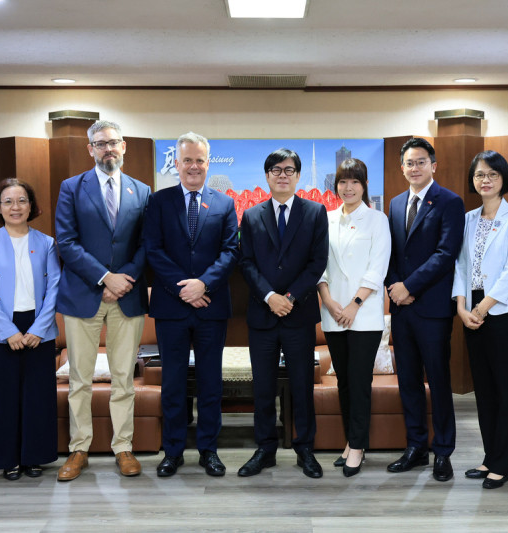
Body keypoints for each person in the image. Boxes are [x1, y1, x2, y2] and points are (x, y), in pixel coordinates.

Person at [54, 119, 151, 481]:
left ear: (124, 146)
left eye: (113, 142)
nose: (107, 149)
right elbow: (66, 241)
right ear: (90, 149)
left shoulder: (142, 191)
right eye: (100, 143)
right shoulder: (71, 188)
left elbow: (147, 244)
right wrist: (104, 277)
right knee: (80, 378)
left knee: (124, 377)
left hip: (128, 295)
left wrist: (123, 279)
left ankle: (122, 447)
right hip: (83, 295)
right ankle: (79, 449)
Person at [143, 132, 239, 478]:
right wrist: (184, 287)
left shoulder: (225, 204)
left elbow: (231, 251)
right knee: (172, 384)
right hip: (171, 307)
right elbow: (153, 250)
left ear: (207, 163)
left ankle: (209, 451)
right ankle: (172, 452)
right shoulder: (159, 201)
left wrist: (203, 284)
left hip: (211, 307)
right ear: (177, 164)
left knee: (211, 383)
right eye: (187, 160)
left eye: (199, 160)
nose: (194, 166)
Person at [238, 148, 329, 479]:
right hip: (262, 316)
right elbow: (245, 262)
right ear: (266, 176)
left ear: (297, 176)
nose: (282, 175)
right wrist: (269, 296)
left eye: (289, 170)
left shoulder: (315, 212)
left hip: (298, 314)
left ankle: (305, 448)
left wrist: (288, 297)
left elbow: (317, 263)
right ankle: (265, 448)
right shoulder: (251, 215)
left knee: (302, 385)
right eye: (275, 169)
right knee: (262, 387)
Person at [385, 137, 464, 482]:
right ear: (401, 168)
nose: (414, 168)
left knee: (439, 380)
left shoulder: (449, 202)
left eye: (421, 162)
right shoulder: (395, 203)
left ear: (433, 165)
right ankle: (416, 446)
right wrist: (394, 288)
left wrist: (409, 287)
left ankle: (443, 451)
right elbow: (390, 254)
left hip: (432, 308)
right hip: (401, 309)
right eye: (409, 163)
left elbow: (446, 254)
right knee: (409, 382)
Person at [0, 178, 60, 480]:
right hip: (0, 332)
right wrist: (8, 331)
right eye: (8, 201)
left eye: (21, 200)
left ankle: (34, 457)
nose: (15, 207)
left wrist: (38, 328)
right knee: (2, 398)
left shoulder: (47, 242)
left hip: (39, 329)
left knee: (38, 397)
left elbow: (54, 289)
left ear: (31, 205)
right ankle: (7, 459)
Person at [453, 150, 508, 489]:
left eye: (492, 175)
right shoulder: (468, 218)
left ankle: (503, 462)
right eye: (480, 174)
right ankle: (489, 457)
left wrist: (483, 307)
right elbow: (461, 266)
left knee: (507, 390)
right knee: (484, 390)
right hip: (472, 312)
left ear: (503, 179)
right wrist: (462, 307)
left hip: (503, 313)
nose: (485, 180)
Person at [317, 158, 391, 477]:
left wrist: (354, 303)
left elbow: (378, 267)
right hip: (332, 312)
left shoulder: (377, 220)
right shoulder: (327, 219)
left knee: (360, 381)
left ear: (364, 186)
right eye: (343, 182)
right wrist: (329, 301)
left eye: (355, 182)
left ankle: (358, 446)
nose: (348, 188)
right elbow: (318, 264)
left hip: (364, 315)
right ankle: (351, 440)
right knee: (344, 382)